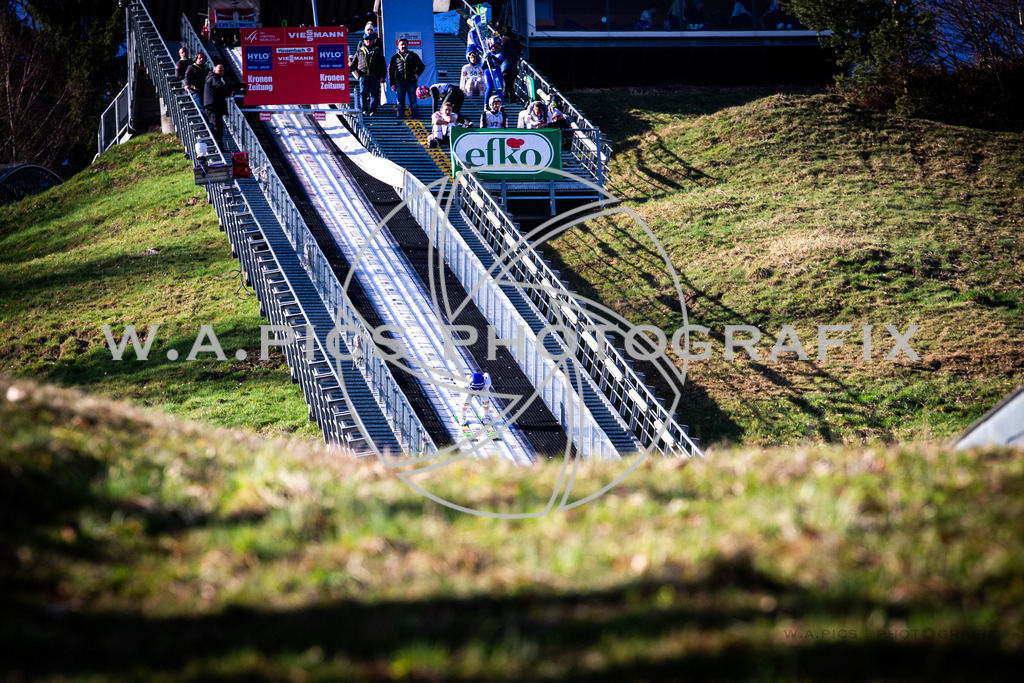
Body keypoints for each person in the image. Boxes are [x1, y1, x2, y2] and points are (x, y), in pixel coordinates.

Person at [349, 33, 386, 116]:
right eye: (367, 39)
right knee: (363, 93)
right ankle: (364, 109)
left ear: (373, 40)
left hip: (374, 75)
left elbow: (383, 65)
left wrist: (383, 76)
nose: (368, 41)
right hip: (363, 75)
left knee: (374, 93)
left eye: (370, 39)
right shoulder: (360, 51)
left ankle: (373, 110)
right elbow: (354, 64)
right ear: (364, 41)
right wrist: (349, 68)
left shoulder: (377, 50)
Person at [388, 38, 425, 119]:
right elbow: (390, 72)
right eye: (402, 44)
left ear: (408, 45)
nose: (403, 46)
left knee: (413, 100)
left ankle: (415, 115)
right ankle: (400, 116)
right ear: (398, 46)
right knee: (400, 101)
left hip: (411, 82)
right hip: (399, 82)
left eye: (405, 44)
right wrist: (392, 84)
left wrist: (417, 74)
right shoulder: (394, 58)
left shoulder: (413, 55)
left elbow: (421, 66)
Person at [203, 63, 233, 146]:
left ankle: (218, 145)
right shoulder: (214, 77)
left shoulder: (214, 78)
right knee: (216, 127)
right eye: (220, 70)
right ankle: (217, 146)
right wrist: (229, 92)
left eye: (223, 71)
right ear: (214, 70)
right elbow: (219, 87)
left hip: (214, 106)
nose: (221, 72)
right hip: (212, 107)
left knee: (218, 127)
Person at [499, 36, 520, 104]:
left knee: (508, 84)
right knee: (511, 83)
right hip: (513, 68)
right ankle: (506, 94)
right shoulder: (514, 47)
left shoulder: (504, 47)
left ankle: (511, 98)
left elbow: (500, 56)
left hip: (506, 67)